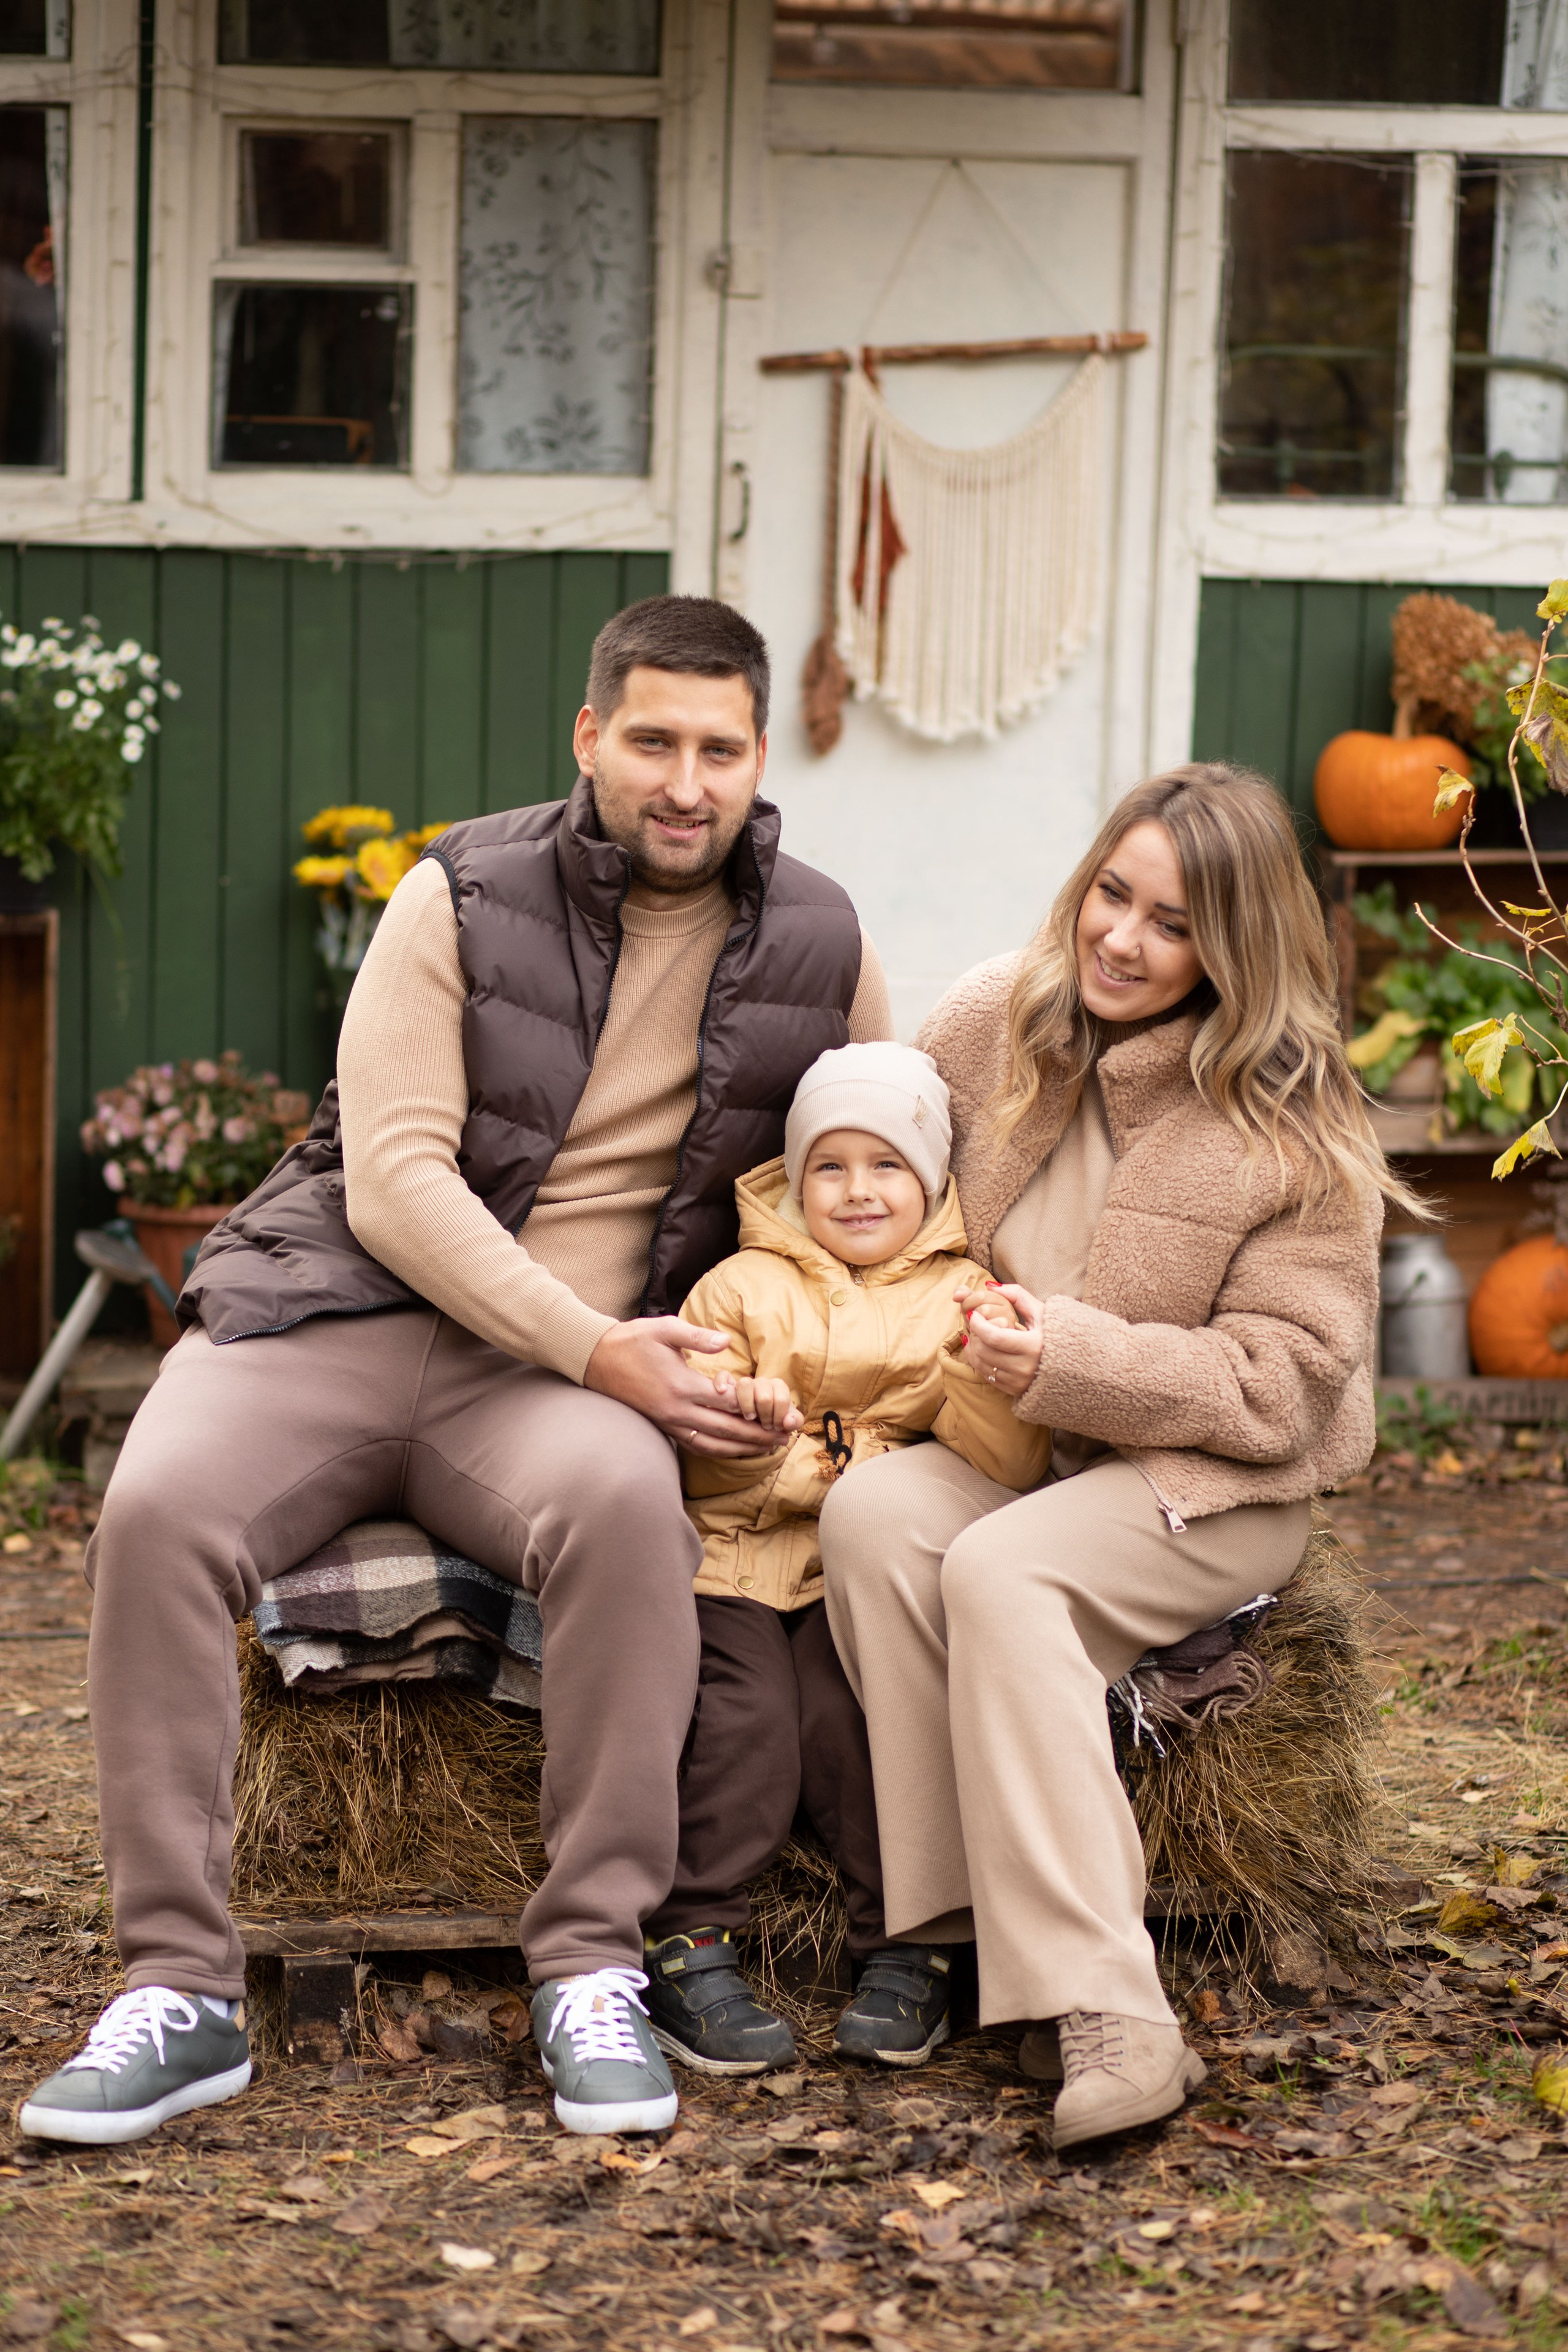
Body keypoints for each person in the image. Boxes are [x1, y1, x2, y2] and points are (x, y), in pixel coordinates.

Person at [21, 595, 895, 2147]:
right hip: (342, 1318)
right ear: (587, 737)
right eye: (648, 742)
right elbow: (397, 1185)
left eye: (715, 749)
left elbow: (889, 1139)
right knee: (153, 1509)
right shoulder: (461, 890)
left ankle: (588, 1965)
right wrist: (603, 1346)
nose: (681, 783)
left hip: (551, 1396)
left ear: (760, 756)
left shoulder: (824, 941)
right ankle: (182, 1990)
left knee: (631, 1514)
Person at [820, 764, 1406, 2150]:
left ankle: (1113, 2016)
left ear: (1239, 950)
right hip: (1016, 1443)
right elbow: (882, 1188)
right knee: (874, 1518)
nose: (1120, 940)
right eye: (1111, 893)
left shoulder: (1293, 1122)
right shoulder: (993, 1022)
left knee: (1007, 1574)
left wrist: (1074, 1357)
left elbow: (1280, 1386)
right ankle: (957, 1934)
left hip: (1213, 1482)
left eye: (1173, 924)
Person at [638, 1044, 1049, 2076]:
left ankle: (910, 1945)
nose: (858, 1190)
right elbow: (681, 1449)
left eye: (887, 1167)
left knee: (855, 1718)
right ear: (793, 1175)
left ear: (931, 1182)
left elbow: (995, 1466)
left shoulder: (966, 1293)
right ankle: (690, 1940)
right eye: (831, 1165)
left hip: (855, 1576)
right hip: (730, 1558)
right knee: (748, 1724)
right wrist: (740, 1419)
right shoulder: (737, 1288)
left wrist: (989, 1372)